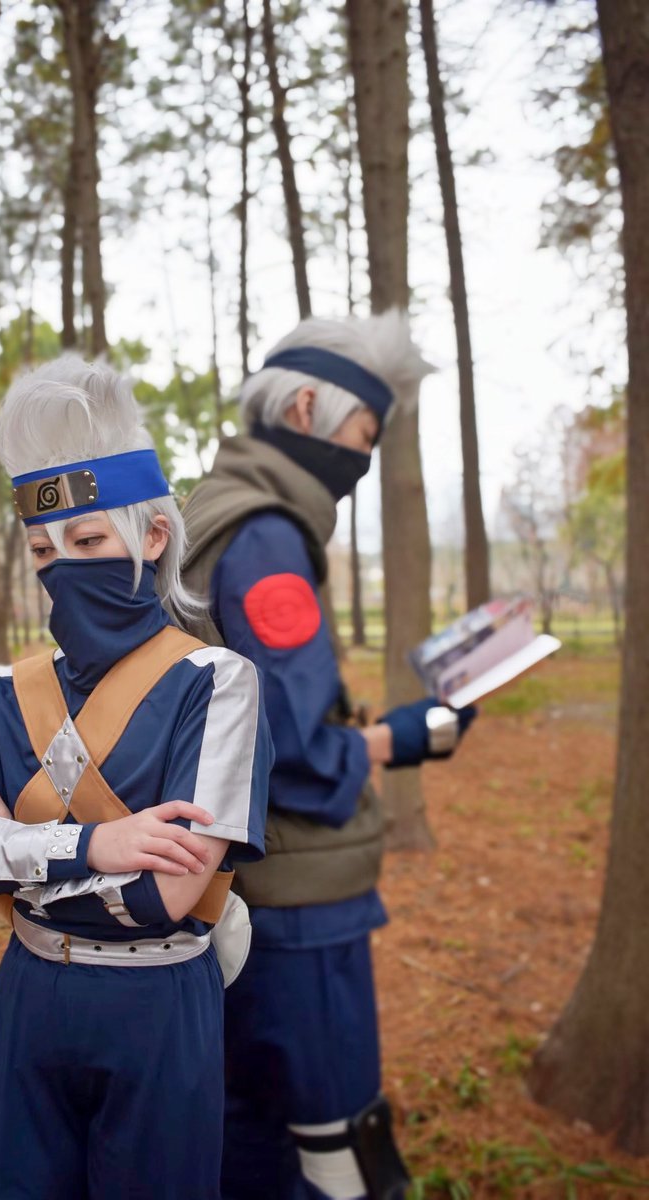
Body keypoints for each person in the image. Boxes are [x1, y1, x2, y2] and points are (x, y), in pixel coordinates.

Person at [0, 355, 272, 1200]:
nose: (62, 564)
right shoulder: (8, 689)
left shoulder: (218, 683)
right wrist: (97, 845)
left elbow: (166, 897)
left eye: (89, 540)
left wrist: (5, 847)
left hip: (157, 1007)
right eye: (43, 548)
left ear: (153, 537)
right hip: (29, 995)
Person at [183, 310, 477, 1200]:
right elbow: (301, 755)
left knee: (244, 1135)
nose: (366, 457)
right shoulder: (267, 535)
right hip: (300, 904)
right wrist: (406, 735)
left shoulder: (208, 511)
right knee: (336, 1145)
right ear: (307, 407)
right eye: (365, 432)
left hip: (229, 890)